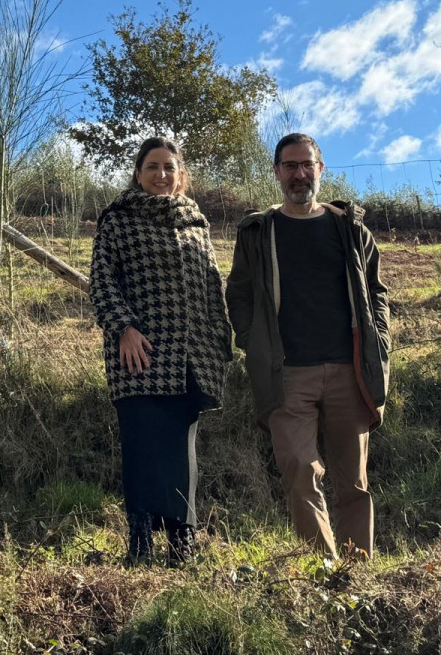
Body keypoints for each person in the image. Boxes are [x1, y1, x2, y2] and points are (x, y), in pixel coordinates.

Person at [225, 132, 391, 559]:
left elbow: (377, 294)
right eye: (290, 166)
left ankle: (357, 570)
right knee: (300, 471)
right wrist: (253, 343)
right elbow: (238, 294)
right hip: (286, 374)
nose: (299, 174)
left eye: (307, 165)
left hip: (348, 372)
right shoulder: (259, 232)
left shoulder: (350, 230)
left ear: (320, 170)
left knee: (353, 482)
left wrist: (381, 343)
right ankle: (325, 574)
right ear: (277, 173)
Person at [89, 136, 233, 565]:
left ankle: (181, 542)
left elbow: (212, 288)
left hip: (190, 358)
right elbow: (102, 281)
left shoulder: (196, 223)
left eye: (169, 167)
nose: (161, 175)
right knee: (141, 446)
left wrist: (220, 345)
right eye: (152, 166)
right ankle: (140, 542)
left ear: (180, 174)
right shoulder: (118, 219)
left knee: (180, 449)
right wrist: (124, 329)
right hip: (140, 354)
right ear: (138, 173)